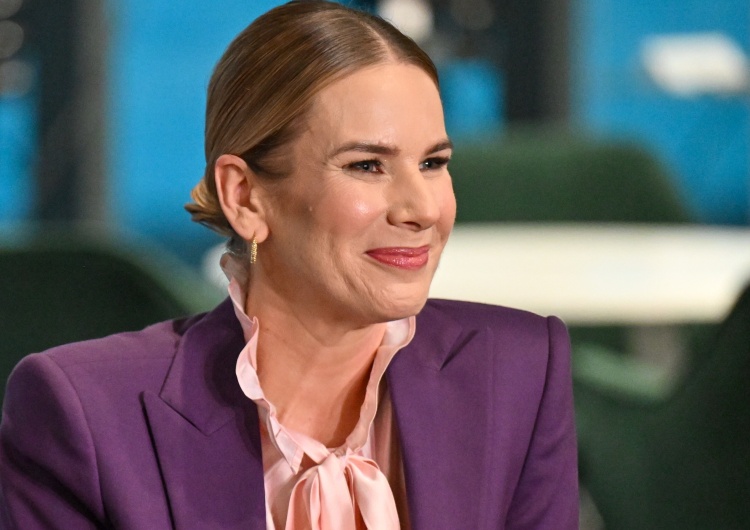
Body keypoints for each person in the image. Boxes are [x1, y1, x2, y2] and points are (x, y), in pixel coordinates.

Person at [0, 1, 578, 528]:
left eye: (433, 163)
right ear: (245, 197)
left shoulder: (517, 373)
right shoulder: (85, 414)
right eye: (367, 166)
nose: (422, 209)